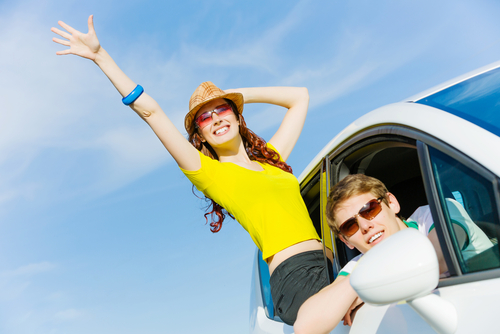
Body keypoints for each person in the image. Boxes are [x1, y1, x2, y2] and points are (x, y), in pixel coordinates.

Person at [51, 15, 332, 325]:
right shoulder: (209, 173)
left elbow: (299, 97)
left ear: (239, 118)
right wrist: (100, 56)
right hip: (294, 276)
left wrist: (234, 95)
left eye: (222, 110)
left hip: (329, 261)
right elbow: (150, 111)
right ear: (200, 135)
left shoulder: (272, 161)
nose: (215, 119)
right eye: (205, 118)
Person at [294, 174, 493, 334]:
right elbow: (305, 327)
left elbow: (434, 260)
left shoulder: (438, 212)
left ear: (392, 203)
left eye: (369, 209)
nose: (365, 226)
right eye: (350, 225)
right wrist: (359, 284)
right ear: (346, 241)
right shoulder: (359, 267)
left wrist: (359, 292)